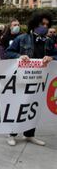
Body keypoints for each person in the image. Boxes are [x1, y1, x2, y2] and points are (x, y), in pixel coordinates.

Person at [5, 12, 56, 146]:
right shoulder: (22, 38)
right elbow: (8, 52)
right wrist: (19, 56)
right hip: (22, 79)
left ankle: (29, 134)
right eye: (42, 24)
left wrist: (52, 58)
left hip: (40, 79)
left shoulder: (49, 41)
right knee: (19, 105)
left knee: (34, 106)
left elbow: (55, 55)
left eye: (47, 24)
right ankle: (12, 133)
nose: (44, 27)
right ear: (35, 24)